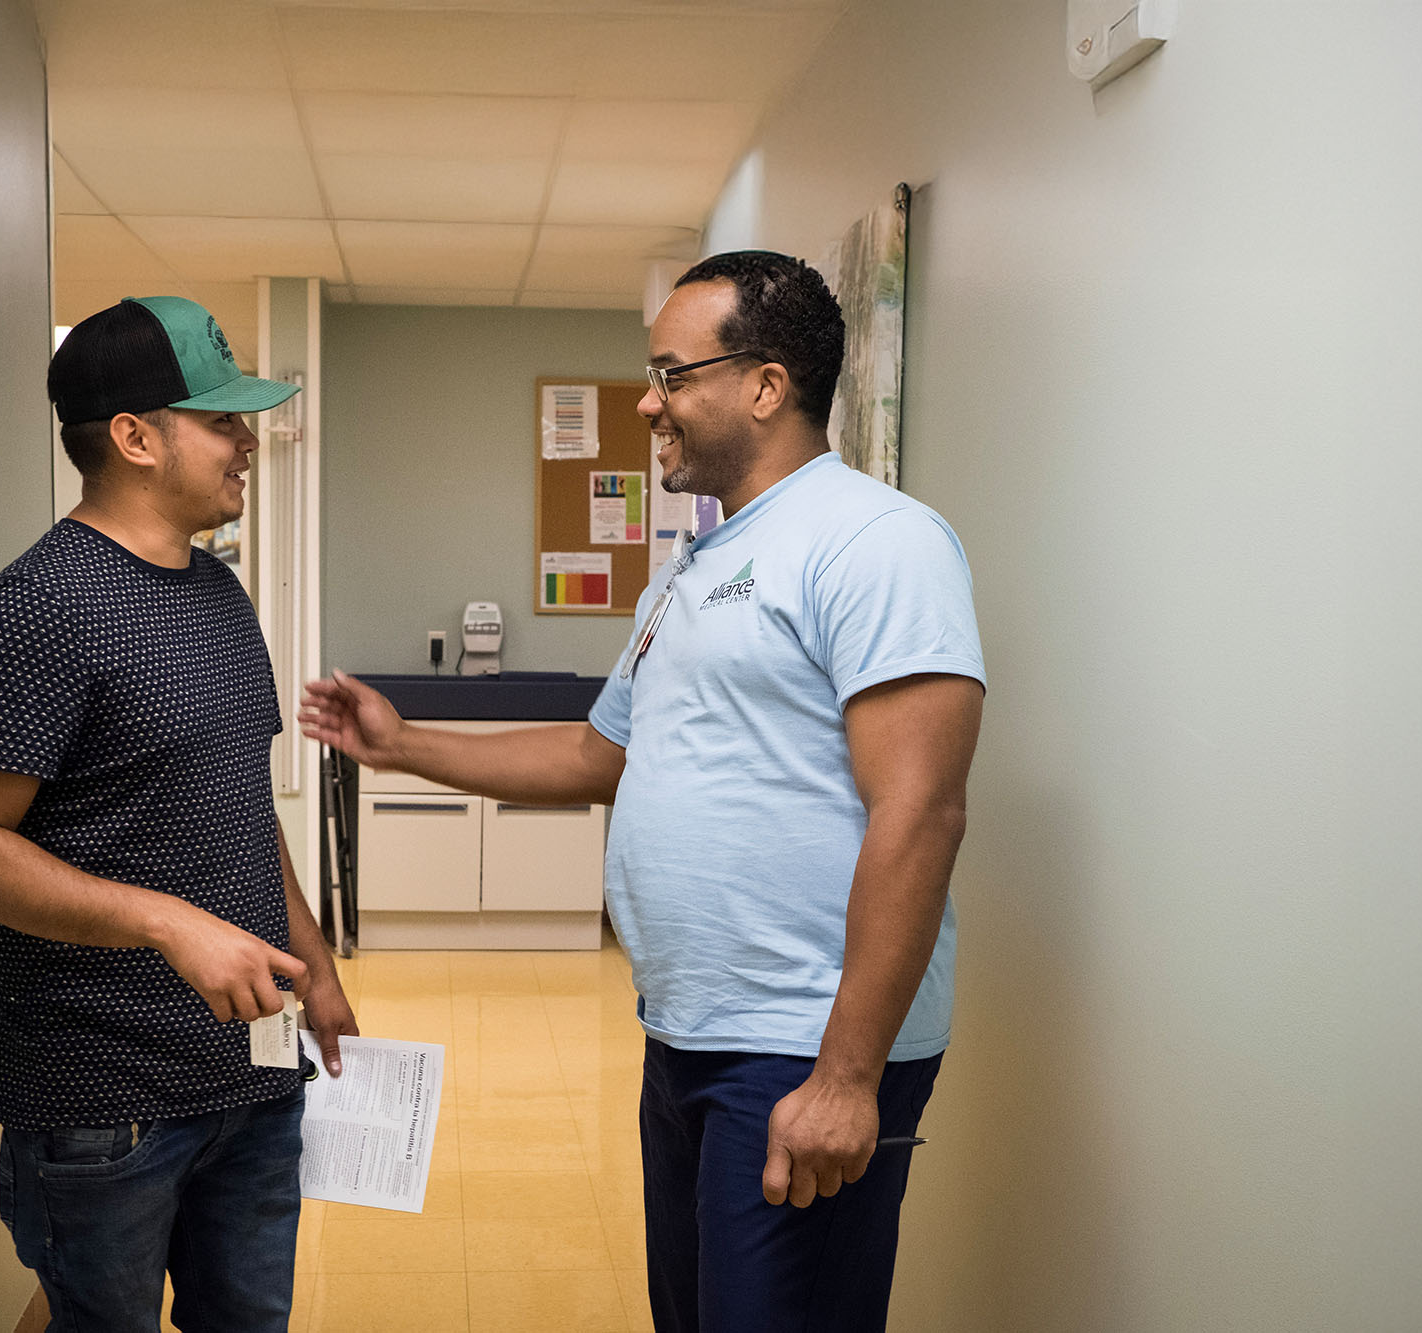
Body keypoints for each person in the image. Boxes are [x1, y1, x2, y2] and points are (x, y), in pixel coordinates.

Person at [301, 252, 984, 1331]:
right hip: (687, 1033)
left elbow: (920, 809)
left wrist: (847, 1077)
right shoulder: (690, 570)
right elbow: (595, 756)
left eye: (670, 372)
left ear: (764, 386)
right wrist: (400, 746)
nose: (645, 399)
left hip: (801, 1042)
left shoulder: (876, 541)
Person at [0, 296, 357, 1332]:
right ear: (134, 437)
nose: (246, 441)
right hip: (102, 1093)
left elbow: (233, 809)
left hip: (248, 1069)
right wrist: (166, 922)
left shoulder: (216, 593)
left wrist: (315, 959)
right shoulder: (39, 605)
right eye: (221, 420)